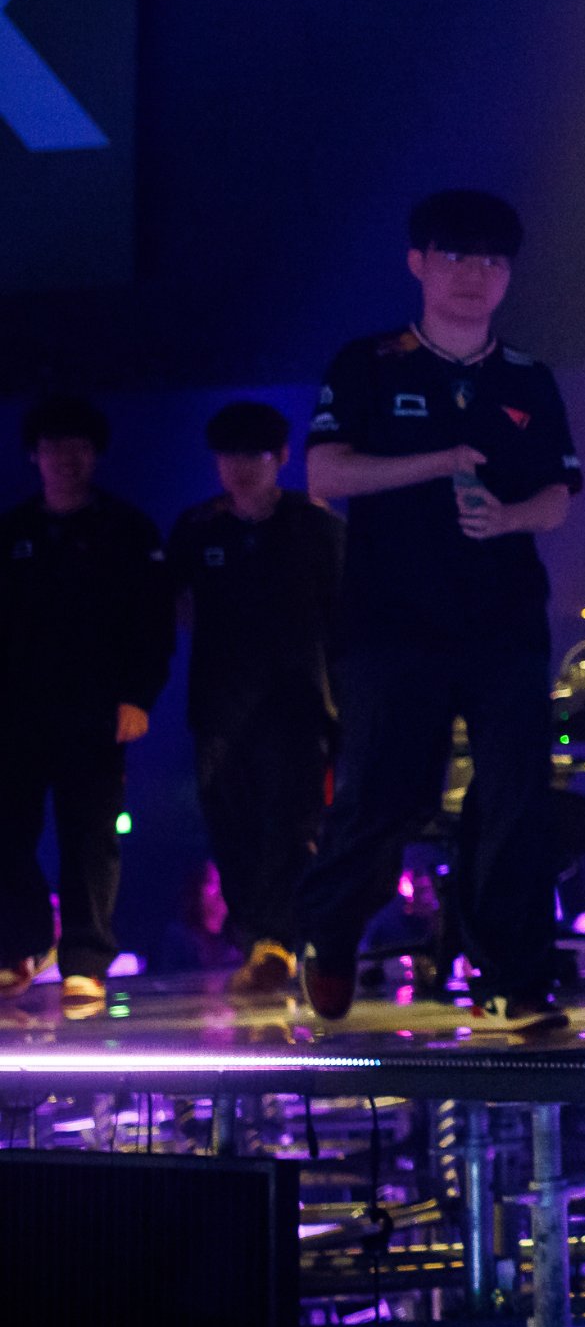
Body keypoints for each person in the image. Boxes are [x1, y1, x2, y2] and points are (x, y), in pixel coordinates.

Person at [292, 191, 582, 1035]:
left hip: (504, 621)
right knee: (386, 795)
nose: (473, 275)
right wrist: (439, 460)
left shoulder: (527, 378)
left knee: (517, 796)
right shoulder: (369, 363)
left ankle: (516, 979)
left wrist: (510, 516)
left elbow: (560, 493)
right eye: (455, 256)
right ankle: (330, 933)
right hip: (391, 622)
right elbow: (325, 476)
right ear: (418, 263)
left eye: (492, 261)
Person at [169, 400, 344, 1001]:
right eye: (230, 455)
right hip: (220, 705)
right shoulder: (198, 528)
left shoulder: (314, 526)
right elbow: (173, 602)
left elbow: (346, 613)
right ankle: (260, 941)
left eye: (255, 454)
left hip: (299, 703)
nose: (241, 467)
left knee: (290, 823)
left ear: (282, 457)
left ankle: (277, 940)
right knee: (229, 823)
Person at [0, 397, 171, 1009]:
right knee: (7, 831)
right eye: (53, 448)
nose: (66, 460)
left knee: (90, 836)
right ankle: (17, 945)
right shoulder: (13, 531)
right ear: (34, 456)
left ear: (95, 455)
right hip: (17, 710)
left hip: (96, 709)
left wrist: (138, 696)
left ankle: (85, 959)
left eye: (78, 448)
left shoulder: (128, 530)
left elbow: (154, 622)